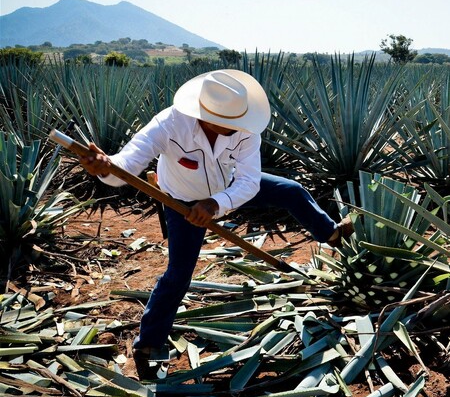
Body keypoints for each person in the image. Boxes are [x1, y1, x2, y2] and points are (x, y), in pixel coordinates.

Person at [78, 69, 353, 380]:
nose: (232, 129)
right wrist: (104, 167)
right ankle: (148, 346)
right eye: (224, 124)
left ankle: (331, 233)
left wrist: (215, 204)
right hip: (181, 202)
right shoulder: (169, 124)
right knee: (179, 274)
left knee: (291, 191)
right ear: (202, 112)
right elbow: (125, 168)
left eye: (235, 124)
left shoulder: (244, 128)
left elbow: (248, 182)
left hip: (228, 190)